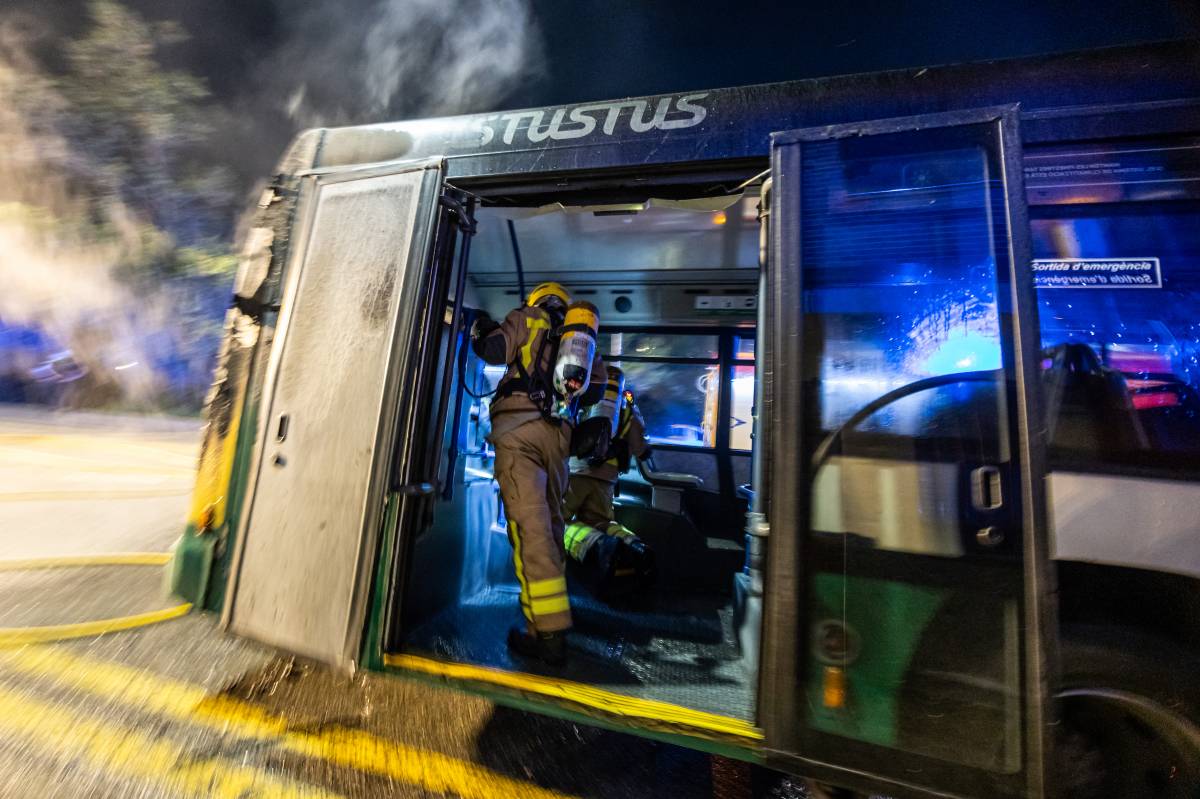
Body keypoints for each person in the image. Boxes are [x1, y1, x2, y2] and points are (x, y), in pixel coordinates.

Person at [470, 282, 605, 666]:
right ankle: (542, 622)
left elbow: (494, 350)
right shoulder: (582, 343)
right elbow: (594, 392)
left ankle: (549, 635)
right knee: (551, 529)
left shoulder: (526, 318)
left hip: (518, 434)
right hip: (558, 442)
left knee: (530, 531)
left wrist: (480, 328)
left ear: (536, 300)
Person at [563, 383, 656, 599]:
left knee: (556, 520)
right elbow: (640, 445)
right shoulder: (625, 403)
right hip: (606, 477)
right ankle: (635, 545)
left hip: (576, 471)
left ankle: (598, 545)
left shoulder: (580, 394)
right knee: (601, 522)